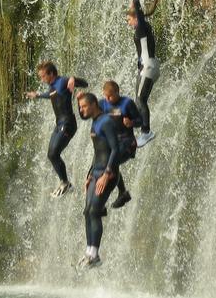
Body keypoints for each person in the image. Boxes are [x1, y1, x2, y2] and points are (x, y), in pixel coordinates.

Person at [25, 61, 88, 197]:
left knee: (54, 153)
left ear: (51, 74)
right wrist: (37, 95)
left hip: (68, 124)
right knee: (51, 155)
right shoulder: (53, 87)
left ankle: (65, 183)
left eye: (43, 76)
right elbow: (51, 95)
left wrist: (73, 79)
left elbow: (84, 83)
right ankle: (64, 183)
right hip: (59, 125)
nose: (42, 79)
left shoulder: (63, 81)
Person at [77, 92, 122, 269]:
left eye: (84, 106)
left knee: (95, 211)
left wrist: (106, 174)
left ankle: (95, 255)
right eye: (80, 107)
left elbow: (115, 149)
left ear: (94, 104)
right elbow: (98, 152)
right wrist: (89, 174)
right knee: (87, 211)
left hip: (107, 174)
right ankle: (89, 251)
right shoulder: (95, 122)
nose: (81, 110)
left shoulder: (106, 121)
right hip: (96, 173)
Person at [98, 80, 143, 209]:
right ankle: (121, 193)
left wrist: (131, 123)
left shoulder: (127, 103)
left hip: (128, 142)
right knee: (104, 161)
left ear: (117, 93)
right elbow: (89, 113)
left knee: (111, 161)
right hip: (113, 143)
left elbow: (141, 120)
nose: (108, 98)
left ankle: (121, 192)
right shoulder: (103, 104)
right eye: (105, 96)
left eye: (110, 96)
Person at [127, 0, 158, 147]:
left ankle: (146, 132)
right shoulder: (144, 27)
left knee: (139, 100)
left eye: (129, 19)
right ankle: (139, 127)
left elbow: (137, 11)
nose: (129, 22)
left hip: (148, 66)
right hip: (149, 67)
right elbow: (136, 12)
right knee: (139, 100)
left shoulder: (140, 27)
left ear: (136, 19)